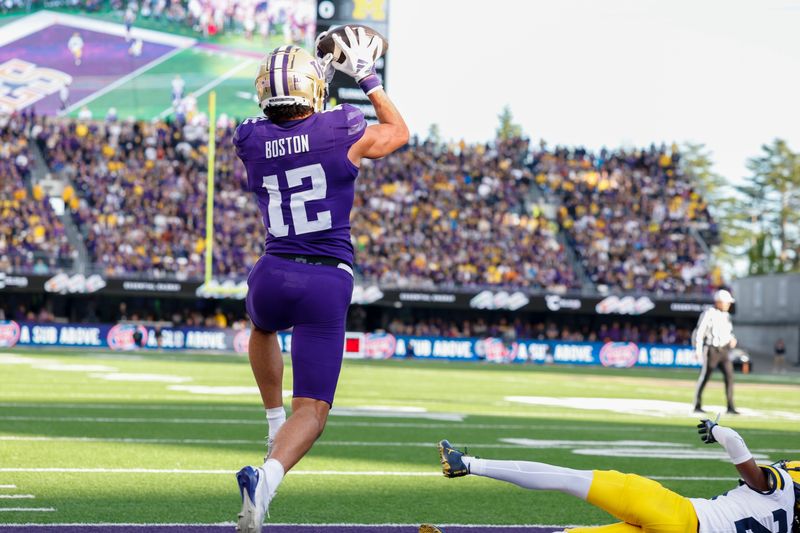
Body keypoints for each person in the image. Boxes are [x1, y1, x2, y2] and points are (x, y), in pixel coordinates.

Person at [232, 29, 408, 533]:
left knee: (262, 328)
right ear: (313, 93)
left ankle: (271, 424)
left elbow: (292, 127)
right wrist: (367, 76)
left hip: (271, 273)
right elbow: (397, 131)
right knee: (312, 409)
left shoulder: (249, 138)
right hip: (325, 280)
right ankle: (265, 480)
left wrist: (319, 79)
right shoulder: (343, 127)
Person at [435, 420, 799, 533]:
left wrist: (716, 429)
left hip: (677, 513)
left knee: (566, 477)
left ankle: (466, 463)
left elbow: (738, 446)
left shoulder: (778, 488)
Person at [693, 289, 738, 414]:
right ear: (718, 302)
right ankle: (697, 404)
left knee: (729, 376)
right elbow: (699, 332)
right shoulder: (708, 313)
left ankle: (730, 406)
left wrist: (732, 339)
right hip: (712, 349)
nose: (728, 305)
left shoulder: (727, 316)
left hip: (724, 350)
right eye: (726, 302)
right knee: (705, 376)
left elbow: (728, 332)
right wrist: (697, 349)